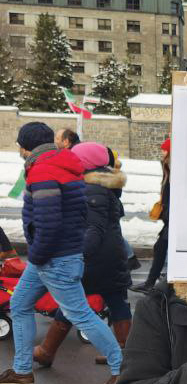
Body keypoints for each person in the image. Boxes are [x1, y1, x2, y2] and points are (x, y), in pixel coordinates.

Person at [0, 122, 123, 384]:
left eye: (20, 144)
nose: (19, 149)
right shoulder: (61, 165)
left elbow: (49, 222)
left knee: (80, 314)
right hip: (54, 255)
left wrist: (38, 254)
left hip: (53, 257)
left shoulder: (43, 170)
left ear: (27, 146)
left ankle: (122, 370)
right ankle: (22, 371)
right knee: (19, 305)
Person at [33, 142, 132, 371]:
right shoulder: (103, 184)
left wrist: (77, 254)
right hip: (111, 256)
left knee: (72, 302)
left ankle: (47, 351)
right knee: (116, 302)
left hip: (96, 259)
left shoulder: (92, 188)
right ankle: (123, 353)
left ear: (85, 163)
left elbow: (94, 230)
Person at [135, 139, 171, 293]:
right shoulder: (167, 169)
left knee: (161, 248)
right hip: (169, 217)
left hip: (172, 219)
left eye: (164, 150)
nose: (162, 152)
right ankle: (152, 282)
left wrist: (167, 213)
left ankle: (153, 283)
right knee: (160, 248)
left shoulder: (172, 170)